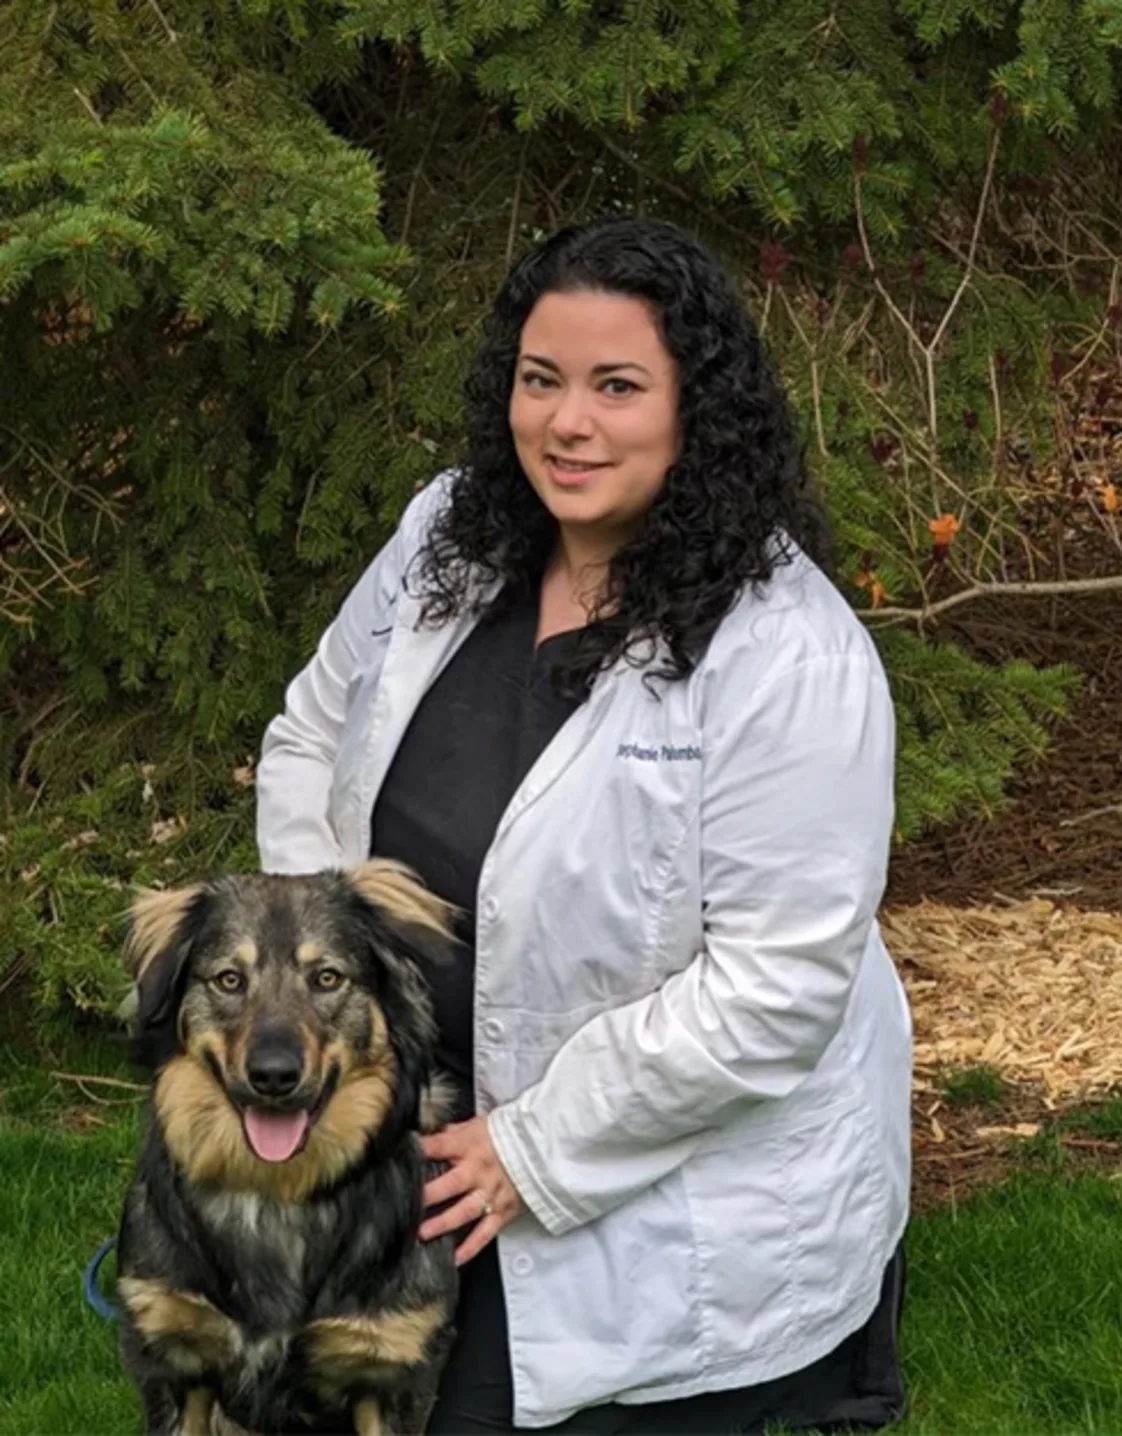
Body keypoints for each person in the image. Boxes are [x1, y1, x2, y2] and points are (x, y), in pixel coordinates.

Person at [255, 216, 912, 1434]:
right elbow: (309, 734)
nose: (569, 423)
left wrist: (532, 1146)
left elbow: (777, 983)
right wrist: (319, 968)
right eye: (541, 378)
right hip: (410, 1130)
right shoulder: (447, 533)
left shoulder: (789, 653)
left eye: (618, 386)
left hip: (652, 1193)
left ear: (694, 410)